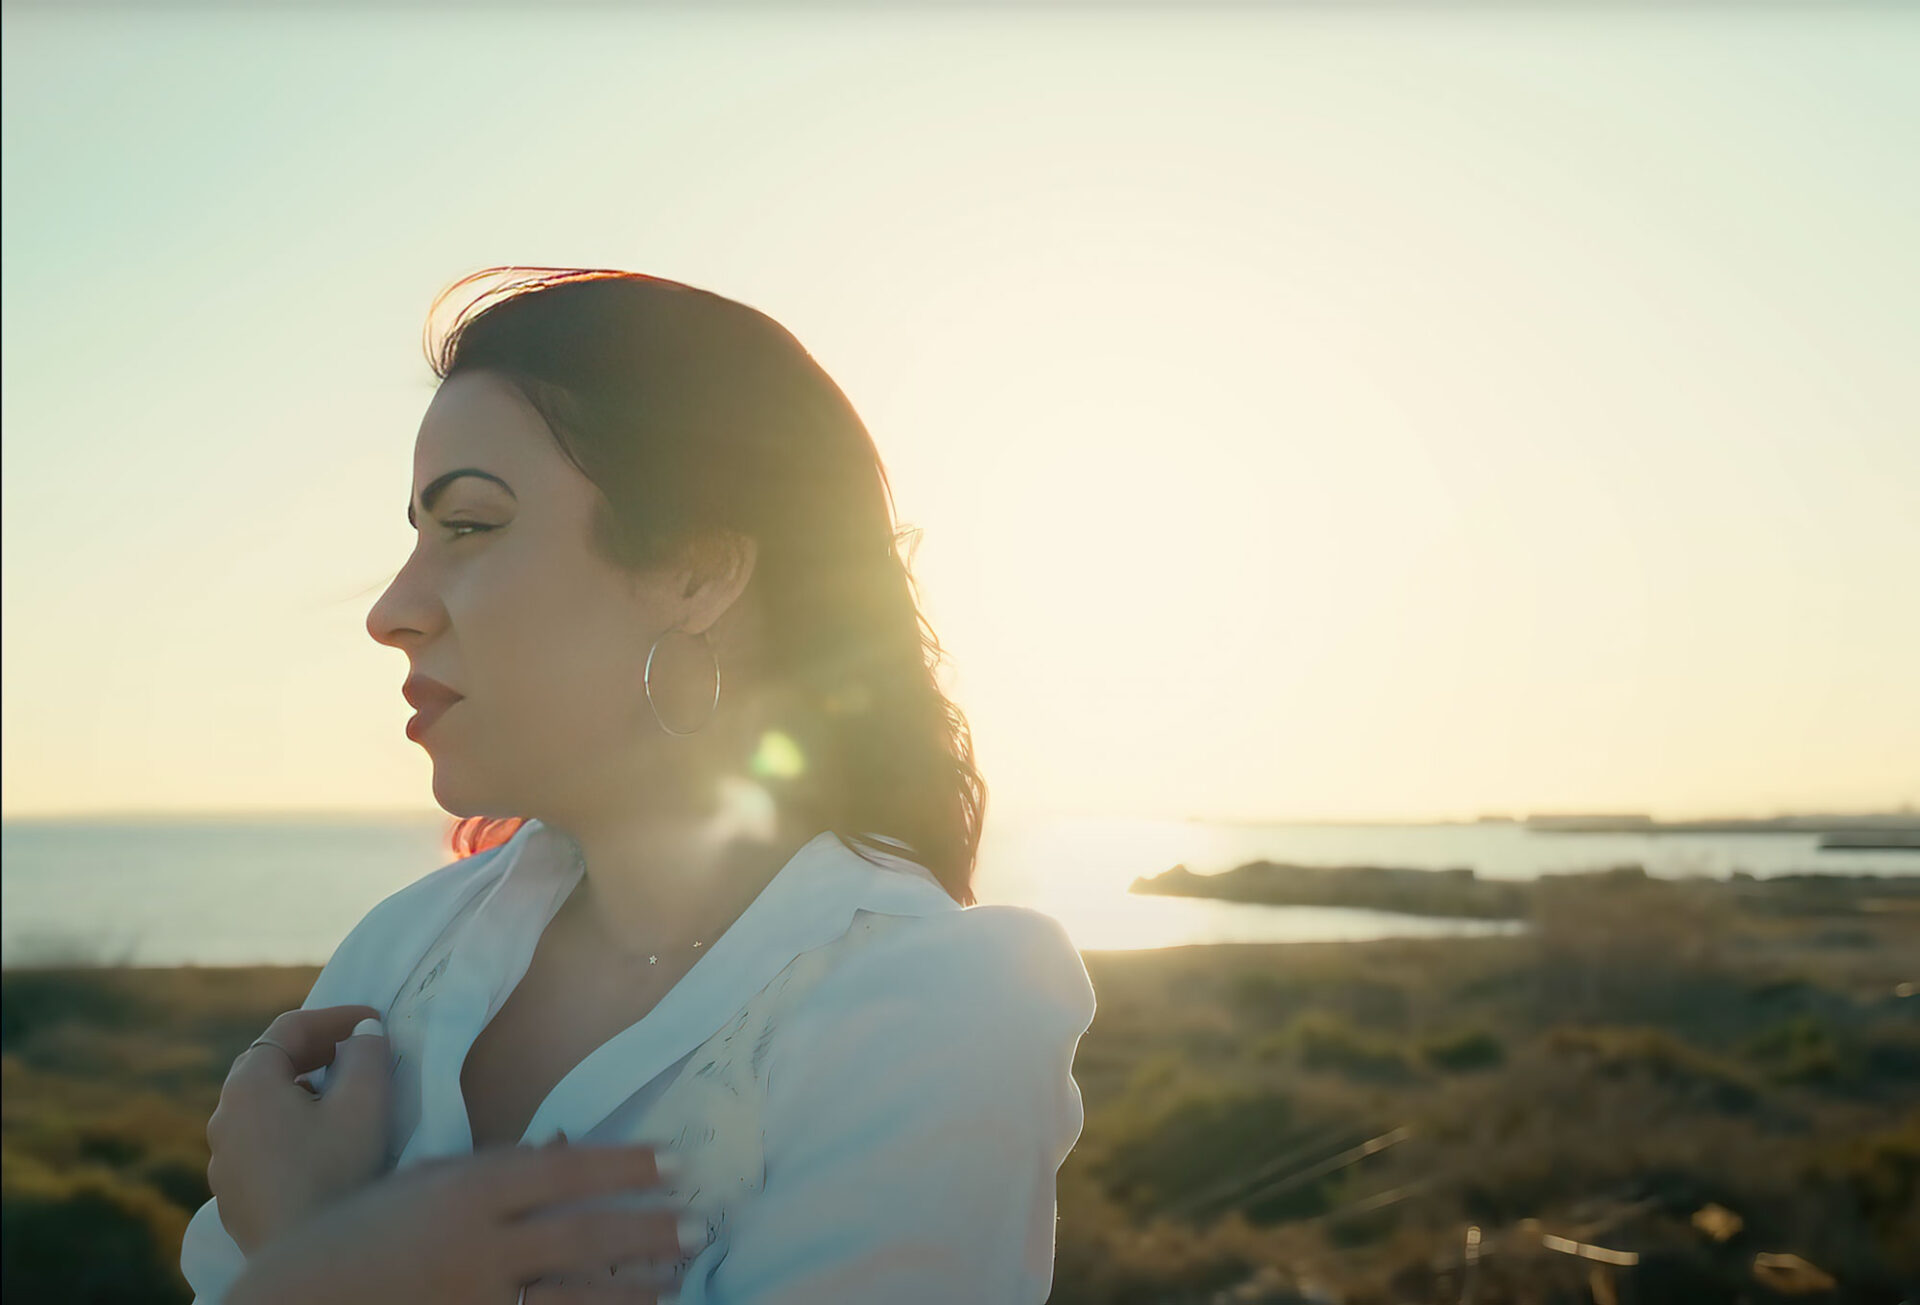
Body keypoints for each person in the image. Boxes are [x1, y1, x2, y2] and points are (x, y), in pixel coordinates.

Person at [178, 268, 1097, 1304]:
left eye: (469, 525)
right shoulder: (399, 955)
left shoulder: (931, 1007)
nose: (391, 610)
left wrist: (313, 1252)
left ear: (697, 574)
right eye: (416, 536)